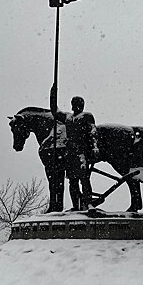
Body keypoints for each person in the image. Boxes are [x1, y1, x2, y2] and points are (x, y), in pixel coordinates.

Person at [50, 83, 99, 211]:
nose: (75, 106)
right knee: (72, 181)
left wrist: (94, 147)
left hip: (81, 152)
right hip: (70, 153)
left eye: (78, 103)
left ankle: (88, 203)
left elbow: (93, 132)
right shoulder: (67, 117)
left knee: (84, 179)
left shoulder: (87, 116)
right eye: (73, 103)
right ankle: (75, 206)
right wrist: (53, 93)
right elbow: (55, 111)